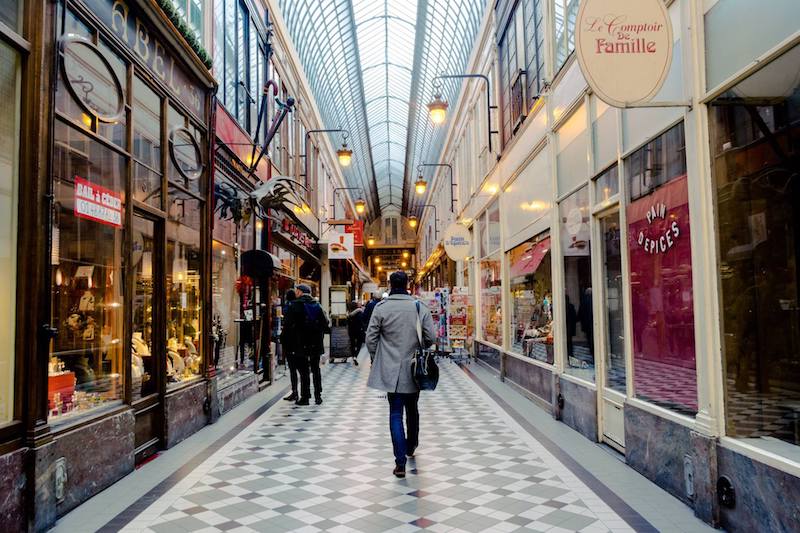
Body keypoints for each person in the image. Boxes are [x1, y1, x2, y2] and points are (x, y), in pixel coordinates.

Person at [366, 271, 436, 478]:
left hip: (390, 371)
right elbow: (430, 337)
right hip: (414, 370)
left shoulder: (381, 308)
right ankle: (411, 445)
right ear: (407, 285)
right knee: (412, 408)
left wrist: (375, 358)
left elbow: (371, 338)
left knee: (395, 413)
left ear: (389, 284)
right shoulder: (418, 306)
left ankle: (400, 463)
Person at [284, 284, 330, 405]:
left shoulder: (294, 305)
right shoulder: (317, 305)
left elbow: (288, 325)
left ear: (299, 292)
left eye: (296, 291)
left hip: (301, 343)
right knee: (316, 369)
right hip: (316, 343)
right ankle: (318, 396)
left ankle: (305, 397)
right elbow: (325, 324)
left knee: (304, 371)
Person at [280, 289, 300, 401]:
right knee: (301, 369)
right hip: (299, 342)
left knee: (293, 369)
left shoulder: (288, 308)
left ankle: (295, 392)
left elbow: (287, 325)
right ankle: (301, 393)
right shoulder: (298, 307)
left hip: (290, 342)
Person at [361, 292, 381, 363]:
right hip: (381, 329)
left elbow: (364, 316)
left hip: (371, 327)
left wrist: (364, 326)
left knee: (372, 341)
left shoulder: (370, 305)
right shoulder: (382, 305)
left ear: (374, 297)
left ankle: (373, 360)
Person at [346, 301, 364, 365]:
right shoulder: (359, 313)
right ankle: (355, 356)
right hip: (359, 330)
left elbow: (347, 323)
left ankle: (353, 355)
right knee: (359, 343)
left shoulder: (348, 315)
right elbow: (362, 322)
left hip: (351, 331)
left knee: (352, 344)